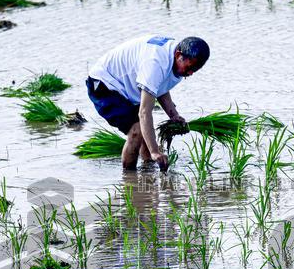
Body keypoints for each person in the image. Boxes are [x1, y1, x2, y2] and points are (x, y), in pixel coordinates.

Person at [86, 35, 210, 172]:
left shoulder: (175, 59)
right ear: (178, 54)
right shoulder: (156, 63)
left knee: (147, 136)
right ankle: (129, 180)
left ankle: (147, 175)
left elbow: (160, 86)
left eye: (196, 69)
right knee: (137, 131)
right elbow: (144, 113)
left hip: (128, 86)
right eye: (190, 67)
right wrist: (155, 151)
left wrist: (174, 115)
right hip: (104, 84)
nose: (191, 73)